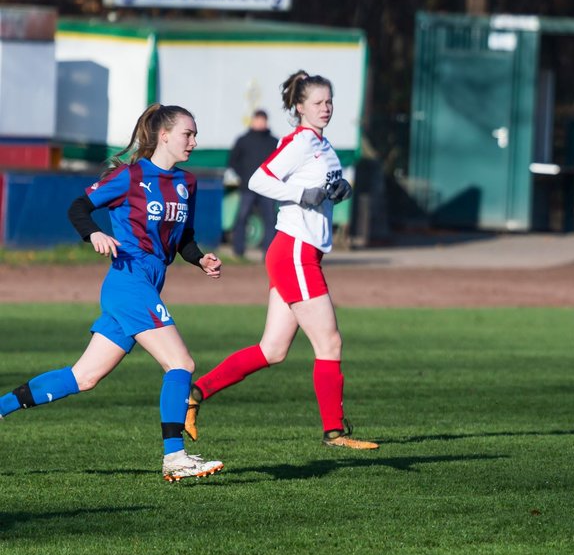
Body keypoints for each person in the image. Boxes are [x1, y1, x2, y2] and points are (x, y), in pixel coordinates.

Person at [0, 104, 225, 481]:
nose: (194, 141)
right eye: (188, 134)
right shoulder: (131, 177)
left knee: (83, 377)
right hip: (128, 281)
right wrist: (95, 233)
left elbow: (183, 237)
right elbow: (79, 208)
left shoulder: (188, 182)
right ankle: (175, 457)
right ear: (164, 135)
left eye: (195, 134)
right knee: (181, 364)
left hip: (147, 283)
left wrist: (200, 259)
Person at [183, 70, 377, 451]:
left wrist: (338, 190)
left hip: (300, 252)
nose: (326, 108)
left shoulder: (322, 144)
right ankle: (335, 433)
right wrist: (302, 194)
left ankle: (195, 394)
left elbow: (324, 187)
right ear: (300, 106)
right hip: (296, 252)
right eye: (319, 103)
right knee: (330, 343)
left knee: (272, 350)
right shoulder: (302, 141)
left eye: (330, 101)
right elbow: (258, 180)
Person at [228, 108, 278, 259]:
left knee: (271, 220)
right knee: (242, 218)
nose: (260, 123)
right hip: (247, 188)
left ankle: (268, 253)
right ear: (253, 121)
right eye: (258, 120)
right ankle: (238, 252)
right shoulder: (243, 140)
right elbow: (233, 161)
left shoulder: (274, 142)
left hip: (268, 189)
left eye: (263, 120)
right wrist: (243, 177)